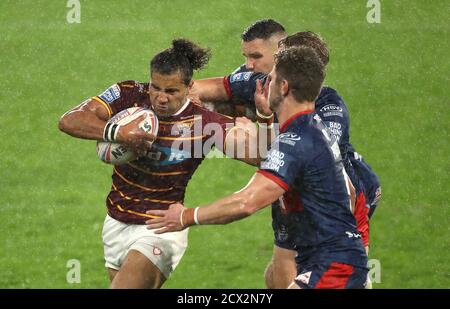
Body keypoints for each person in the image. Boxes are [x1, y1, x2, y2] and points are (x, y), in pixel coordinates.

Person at [146, 46, 369, 289]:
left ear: (283, 87)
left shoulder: (296, 140)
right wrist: (264, 118)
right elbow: (350, 193)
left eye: (270, 79)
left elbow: (247, 202)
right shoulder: (312, 129)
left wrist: (186, 216)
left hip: (333, 266)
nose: (263, 83)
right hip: (328, 260)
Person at [58, 39, 262, 288]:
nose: (161, 98)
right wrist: (118, 132)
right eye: (156, 87)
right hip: (115, 221)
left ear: (189, 87)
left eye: (171, 91)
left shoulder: (204, 123)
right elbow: (69, 120)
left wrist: (262, 118)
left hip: (161, 226)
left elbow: (262, 157)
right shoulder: (129, 95)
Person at [190, 19, 286, 118]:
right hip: (270, 129)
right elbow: (194, 89)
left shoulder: (300, 84)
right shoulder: (252, 78)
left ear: (281, 53)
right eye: (246, 57)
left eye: (256, 56)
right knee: (224, 105)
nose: (249, 66)